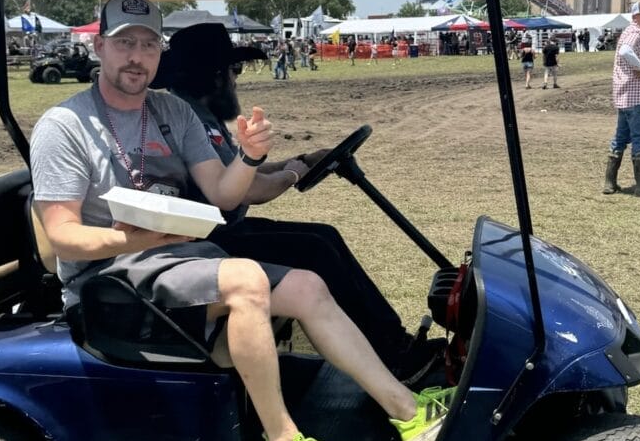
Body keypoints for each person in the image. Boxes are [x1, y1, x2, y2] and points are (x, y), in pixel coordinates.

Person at [30, 0, 453, 441]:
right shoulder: (66, 126)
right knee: (248, 281)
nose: (135, 57)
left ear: (159, 54)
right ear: (100, 46)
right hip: (108, 281)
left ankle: (406, 411)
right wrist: (145, 238)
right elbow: (62, 237)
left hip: (176, 260)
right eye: (124, 44)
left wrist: (252, 156)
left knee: (305, 284)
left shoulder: (171, 111)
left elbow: (225, 195)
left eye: (147, 45)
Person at [153, 22, 444, 385]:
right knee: (314, 250)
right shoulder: (188, 118)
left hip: (220, 232)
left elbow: (240, 172)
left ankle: (392, 345)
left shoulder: (198, 114)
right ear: (212, 76)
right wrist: (291, 175)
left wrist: (303, 160)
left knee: (324, 236)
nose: (236, 80)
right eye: (233, 71)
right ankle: (395, 357)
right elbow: (248, 191)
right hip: (206, 244)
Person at [603, 2, 640, 197]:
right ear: (635, 16)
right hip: (638, 97)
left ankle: (610, 182)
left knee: (620, 138)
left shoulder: (631, 31)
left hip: (626, 97)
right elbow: (626, 51)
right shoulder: (635, 32)